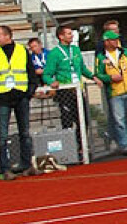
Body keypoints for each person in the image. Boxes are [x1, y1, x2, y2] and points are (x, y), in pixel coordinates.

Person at [42, 23, 102, 154]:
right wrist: (52, 82)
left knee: (84, 120)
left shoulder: (75, 50)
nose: (72, 36)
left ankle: (82, 147)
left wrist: (93, 77)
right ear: (61, 36)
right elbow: (46, 74)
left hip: (78, 91)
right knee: (67, 121)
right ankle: (69, 148)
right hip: (65, 92)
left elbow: (82, 68)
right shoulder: (54, 53)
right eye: (69, 33)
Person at [0, 25, 34, 179]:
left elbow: (30, 72)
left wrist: (28, 93)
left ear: (8, 36)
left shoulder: (22, 50)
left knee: (25, 133)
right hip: (2, 97)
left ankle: (26, 165)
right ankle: (5, 169)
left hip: (20, 95)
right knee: (2, 136)